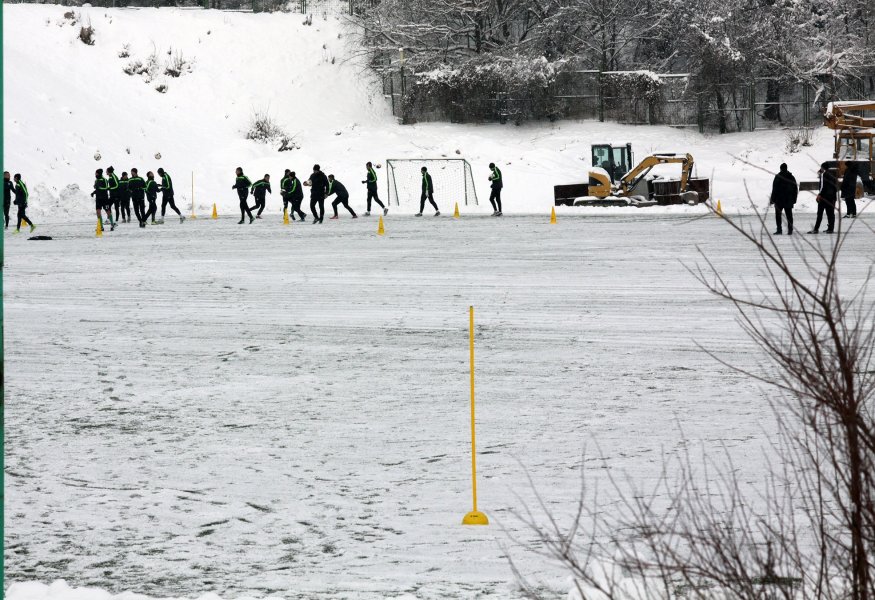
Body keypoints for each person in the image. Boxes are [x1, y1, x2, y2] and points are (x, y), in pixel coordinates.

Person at [808, 163, 837, 234]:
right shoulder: (832, 175)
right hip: (832, 197)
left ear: (823, 168)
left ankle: (816, 229)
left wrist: (819, 194)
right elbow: (835, 187)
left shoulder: (824, 175)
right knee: (830, 214)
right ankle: (831, 228)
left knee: (820, 213)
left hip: (824, 197)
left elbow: (822, 186)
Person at [769, 163, 797, 235]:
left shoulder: (778, 177)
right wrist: (794, 199)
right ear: (786, 168)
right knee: (789, 216)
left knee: (778, 215)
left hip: (779, 200)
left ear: (780, 168)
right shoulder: (791, 177)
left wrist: (772, 199)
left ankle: (779, 230)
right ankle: (790, 230)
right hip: (788, 199)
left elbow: (774, 189)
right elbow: (795, 189)